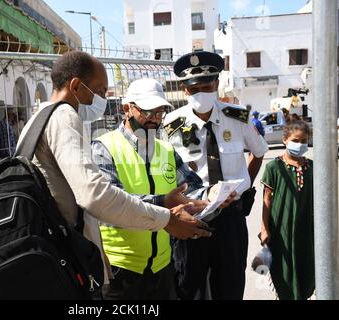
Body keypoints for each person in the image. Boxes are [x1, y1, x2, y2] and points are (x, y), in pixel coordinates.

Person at [17, 51, 213, 286]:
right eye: (100, 92)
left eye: (160, 112)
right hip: (79, 259)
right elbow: (95, 195)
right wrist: (166, 219)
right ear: (76, 86)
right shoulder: (65, 117)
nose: (102, 99)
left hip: (150, 263)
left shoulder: (38, 118)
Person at [92, 78, 235, 300]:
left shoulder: (165, 150)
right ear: (127, 108)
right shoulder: (104, 147)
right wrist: (164, 203)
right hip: (120, 269)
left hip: (162, 267)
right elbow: (112, 204)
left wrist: (211, 195)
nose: (155, 119)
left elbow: (192, 186)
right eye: (148, 111)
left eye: (160, 112)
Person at [163, 51, 269, 300]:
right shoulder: (172, 123)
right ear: (185, 90)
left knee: (230, 283)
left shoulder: (238, 116)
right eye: (195, 88)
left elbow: (259, 152)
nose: (202, 93)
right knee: (189, 285)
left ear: (217, 84)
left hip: (230, 217)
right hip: (192, 216)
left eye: (207, 86)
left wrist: (243, 187)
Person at [259, 120, 314, 300]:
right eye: (296, 140)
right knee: (283, 272)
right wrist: (264, 228)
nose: (300, 145)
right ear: (285, 139)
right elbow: (266, 200)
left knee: (306, 269)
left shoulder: (313, 167)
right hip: (281, 229)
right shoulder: (274, 168)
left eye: (304, 141)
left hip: (306, 231)